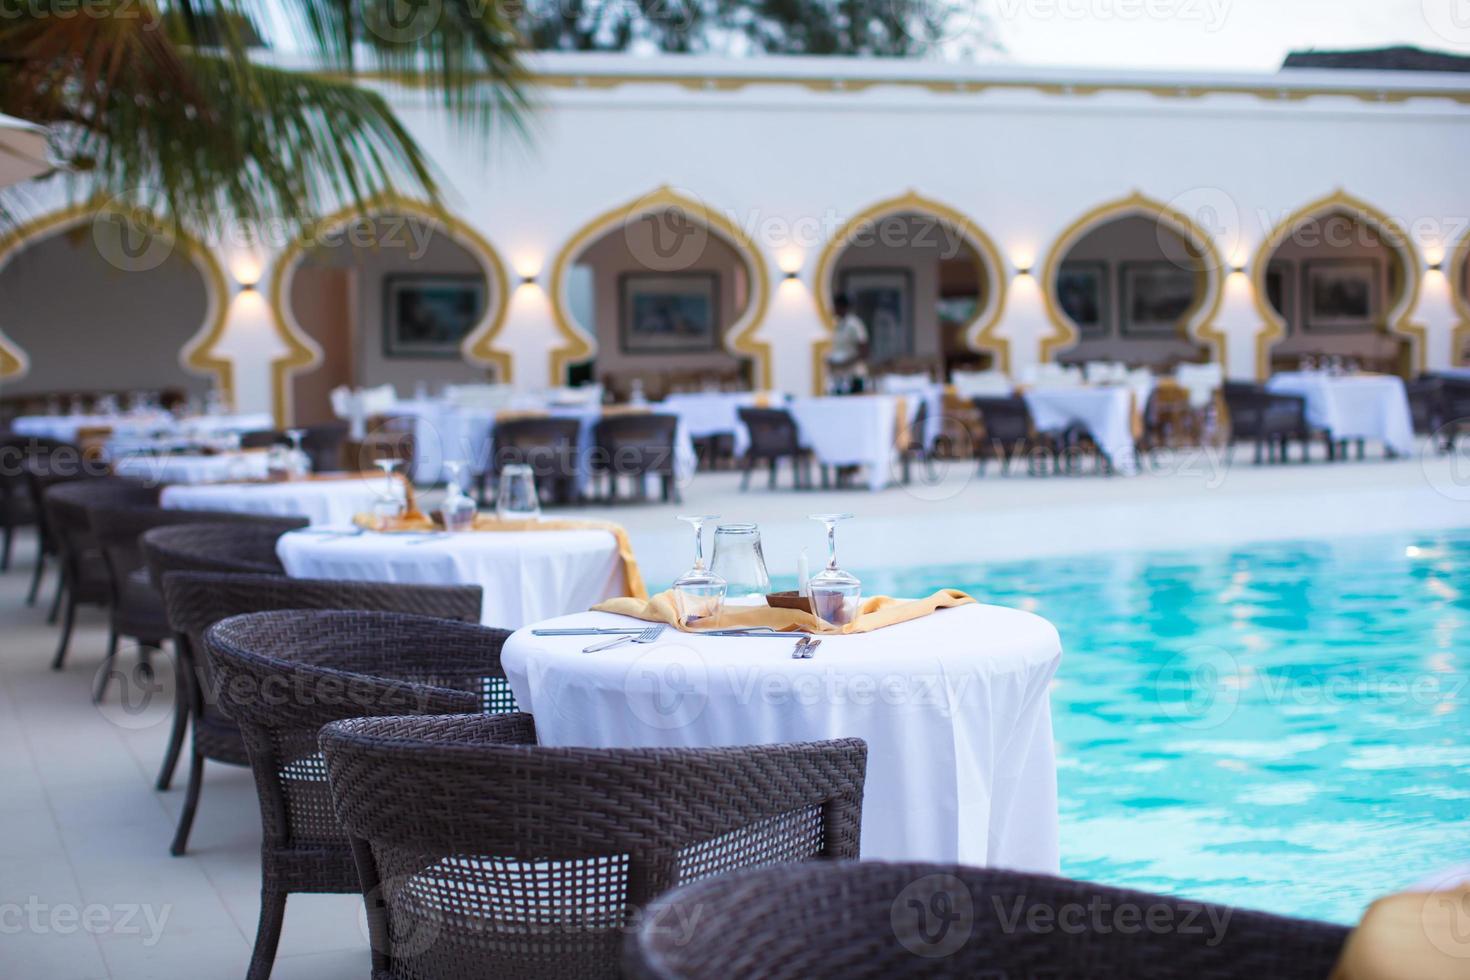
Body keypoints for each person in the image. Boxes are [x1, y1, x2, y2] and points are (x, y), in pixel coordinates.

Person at [827, 293, 870, 394]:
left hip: (853, 374)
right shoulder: (832, 323)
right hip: (836, 375)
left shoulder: (854, 324)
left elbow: (864, 351)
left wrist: (845, 363)